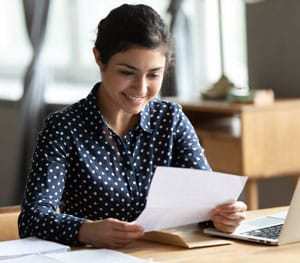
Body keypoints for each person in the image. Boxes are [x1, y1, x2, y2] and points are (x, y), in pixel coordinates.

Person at [18, 4, 247, 249]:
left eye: (153, 75)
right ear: (99, 58)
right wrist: (87, 231)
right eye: (127, 72)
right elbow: (32, 219)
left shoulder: (171, 119)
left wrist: (224, 216)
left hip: (165, 255)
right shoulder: (63, 128)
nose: (140, 89)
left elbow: (206, 204)